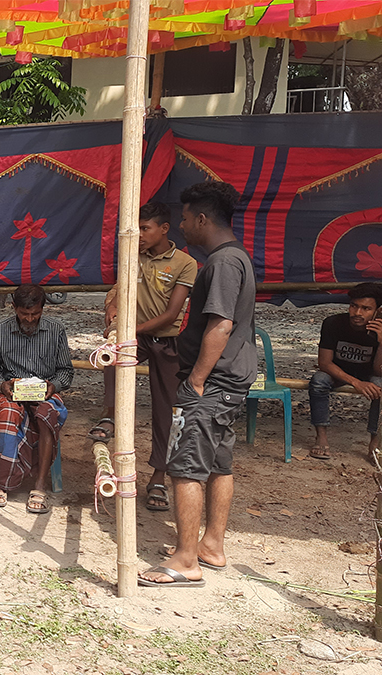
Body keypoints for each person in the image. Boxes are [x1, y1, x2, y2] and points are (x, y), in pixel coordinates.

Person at [139, 181, 256, 589]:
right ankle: (212, 544)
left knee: (184, 466)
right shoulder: (236, 257)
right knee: (220, 463)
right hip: (231, 378)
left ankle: (186, 559)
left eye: (186, 218)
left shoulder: (222, 263)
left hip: (214, 380)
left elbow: (220, 325)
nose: (183, 226)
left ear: (203, 219)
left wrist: (196, 380)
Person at [91, 202, 197, 512]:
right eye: (136, 228)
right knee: (112, 354)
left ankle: (158, 478)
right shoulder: (132, 256)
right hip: (134, 337)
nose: (138, 235)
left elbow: (171, 314)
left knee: (167, 412)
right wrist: (112, 307)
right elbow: (116, 291)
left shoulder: (185, 263)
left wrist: (130, 329)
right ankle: (110, 415)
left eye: (145, 228)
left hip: (166, 340)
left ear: (164, 229)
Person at [0, 284, 74, 515]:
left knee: (47, 415)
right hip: (11, 392)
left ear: (43, 308)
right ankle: (2, 483)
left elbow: (66, 371)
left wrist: (53, 386)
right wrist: (2, 385)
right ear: (14, 307)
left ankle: (40, 484)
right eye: (24, 314)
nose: (30, 319)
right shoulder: (0, 330)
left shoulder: (56, 330)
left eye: (35, 313)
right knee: (9, 414)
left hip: (44, 391)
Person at [308, 282, 382, 460]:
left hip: (368, 375)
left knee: (381, 386)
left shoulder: (380, 330)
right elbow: (324, 363)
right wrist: (356, 383)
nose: (357, 313)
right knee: (319, 380)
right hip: (338, 372)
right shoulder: (333, 323)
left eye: (366, 308)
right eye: (354, 306)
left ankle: (376, 441)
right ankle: (321, 436)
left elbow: (379, 371)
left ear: (377, 311)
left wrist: (382, 343)